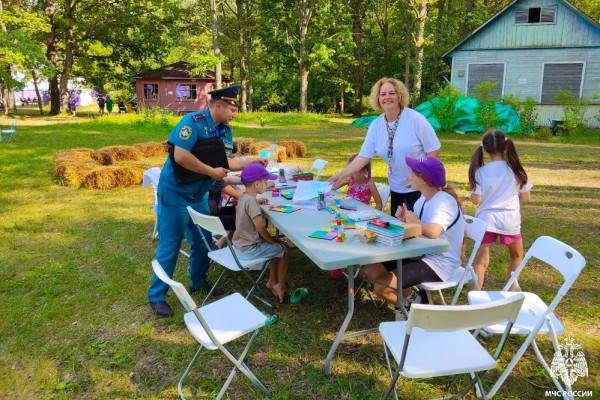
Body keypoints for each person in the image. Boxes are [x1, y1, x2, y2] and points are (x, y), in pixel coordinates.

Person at [148, 84, 266, 317]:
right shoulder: (193, 122)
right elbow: (180, 156)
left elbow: (227, 161)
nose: (235, 113)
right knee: (171, 244)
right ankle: (157, 296)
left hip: (198, 193)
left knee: (202, 242)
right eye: (232, 108)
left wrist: (252, 161)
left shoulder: (226, 130)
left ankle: (199, 282)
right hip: (175, 191)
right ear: (218, 105)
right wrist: (211, 172)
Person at [362, 156, 465, 309]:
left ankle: (419, 310)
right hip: (419, 253)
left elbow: (434, 231)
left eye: (412, 174)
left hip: (439, 263)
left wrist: (415, 223)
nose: (407, 176)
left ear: (423, 179)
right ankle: (414, 299)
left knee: (381, 287)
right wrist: (405, 219)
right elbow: (417, 228)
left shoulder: (444, 201)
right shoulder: (423, 199)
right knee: (370, 268)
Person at [329, 78, 441, 217]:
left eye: (392, 93)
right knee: (399, 230)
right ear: (378, 98)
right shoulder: (376, 125)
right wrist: (340, 175)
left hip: (419, 188)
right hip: (396, 186)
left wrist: (423, 177)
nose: (387, 97)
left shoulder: (415, 119)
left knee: (417, 230)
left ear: (399, 96)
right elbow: (363, 157)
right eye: (383, 94)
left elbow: (433, 149)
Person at [468, 128, 532, 290]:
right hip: (509, 221)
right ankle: (510, 291)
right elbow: (526, 198)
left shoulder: (480, 172)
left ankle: (475, 297)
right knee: (517, 255)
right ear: (506, 146)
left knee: (480, 263)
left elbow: (476, 200)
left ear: (486, 149)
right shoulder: (517, 170)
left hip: (486, 221)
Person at [233, 163, 290, 303]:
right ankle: (280, 286)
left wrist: (257, 202)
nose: (267, 184)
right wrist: (272, 240)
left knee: (275, 247)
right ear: (257, 184)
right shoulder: (251, 202)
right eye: (265, 181)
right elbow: (260, 228)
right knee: (284, 248)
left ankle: (271, 281)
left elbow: (249, 205)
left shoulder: (244, 197)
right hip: (249, 249)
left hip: (239, 245)